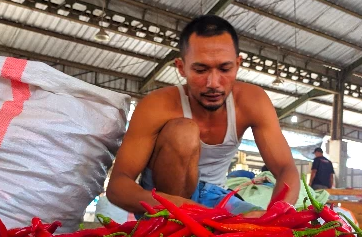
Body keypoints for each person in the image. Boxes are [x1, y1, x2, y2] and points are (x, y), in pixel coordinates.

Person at [107, 15, 300, 217]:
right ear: (181, 67)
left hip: (216, 197)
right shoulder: (156, 105)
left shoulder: (253, 101)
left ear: (237, 64)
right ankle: (175, 230)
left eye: (225, 69)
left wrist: (275, 216)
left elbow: (286, 168)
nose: (213, 83)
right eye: (200, 69)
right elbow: (118, 186)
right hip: (164, 201)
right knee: (184, 131)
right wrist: (182, 208)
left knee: (260, 226)